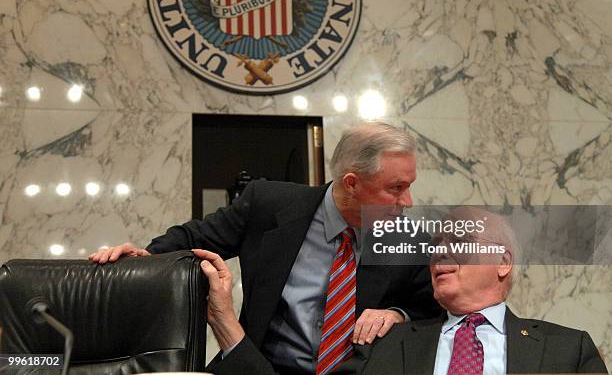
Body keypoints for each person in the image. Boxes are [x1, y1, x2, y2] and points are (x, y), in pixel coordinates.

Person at [90, 122, 442, 375]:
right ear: (352, 183)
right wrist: (142, 259)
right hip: (260, 368)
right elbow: (190, 240)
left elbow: (432, 309)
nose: (407, 202)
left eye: (409, 187)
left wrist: (397, 313)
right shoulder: (269, 204)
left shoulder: (406, 237)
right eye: (396, 188)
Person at [195, 207, 608, 374]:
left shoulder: (567, 350)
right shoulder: (382, 346)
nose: (440, 252)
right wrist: (226, 322)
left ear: (503, 262)